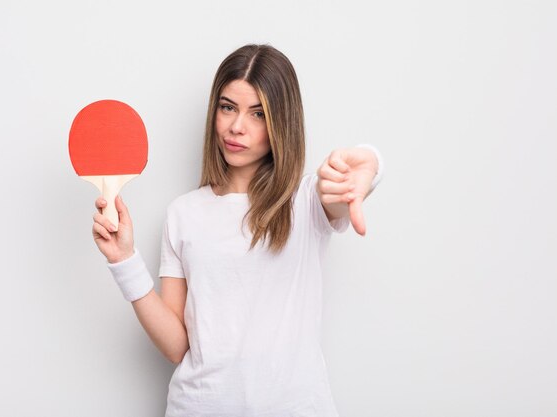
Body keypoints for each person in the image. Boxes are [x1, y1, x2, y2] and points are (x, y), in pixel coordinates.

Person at [91, 44, 383, 416]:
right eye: (228, 107)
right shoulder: (184, 213)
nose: (236, 126)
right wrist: (124, 261)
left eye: (258, 113)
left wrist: (371, 162)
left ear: (281, 122)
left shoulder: (307, 201)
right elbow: (177, 346)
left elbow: (348, 186)